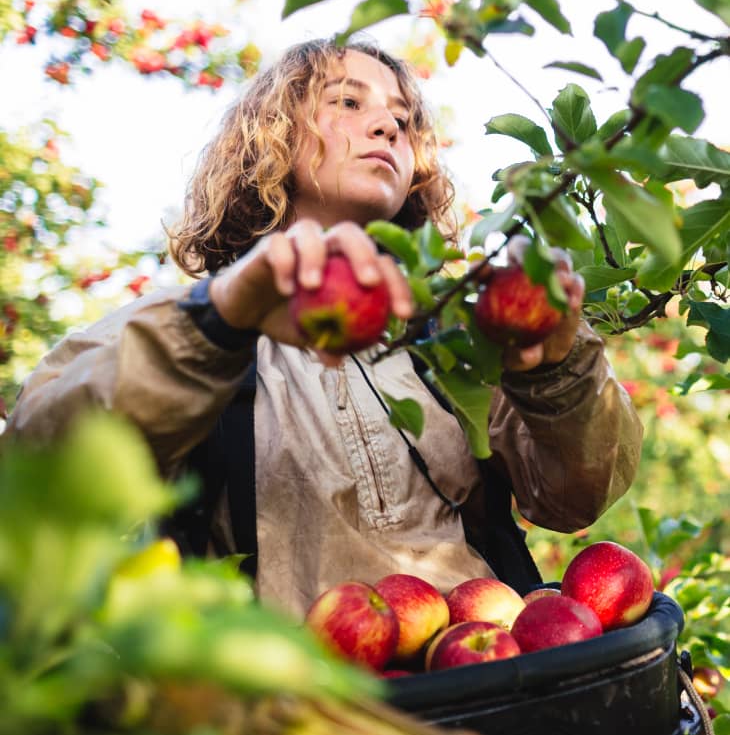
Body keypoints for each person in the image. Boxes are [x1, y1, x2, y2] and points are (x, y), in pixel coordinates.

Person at [6, 37, 643, 619]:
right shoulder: (191, 325)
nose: (389, 124)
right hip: (290, 699)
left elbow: (574, 498)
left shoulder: (450, 337)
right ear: (274, 137)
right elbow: (40, 470)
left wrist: (558, 370)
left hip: (485, 681)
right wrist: (220, 324)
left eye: (403, 117)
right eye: (347, 100)